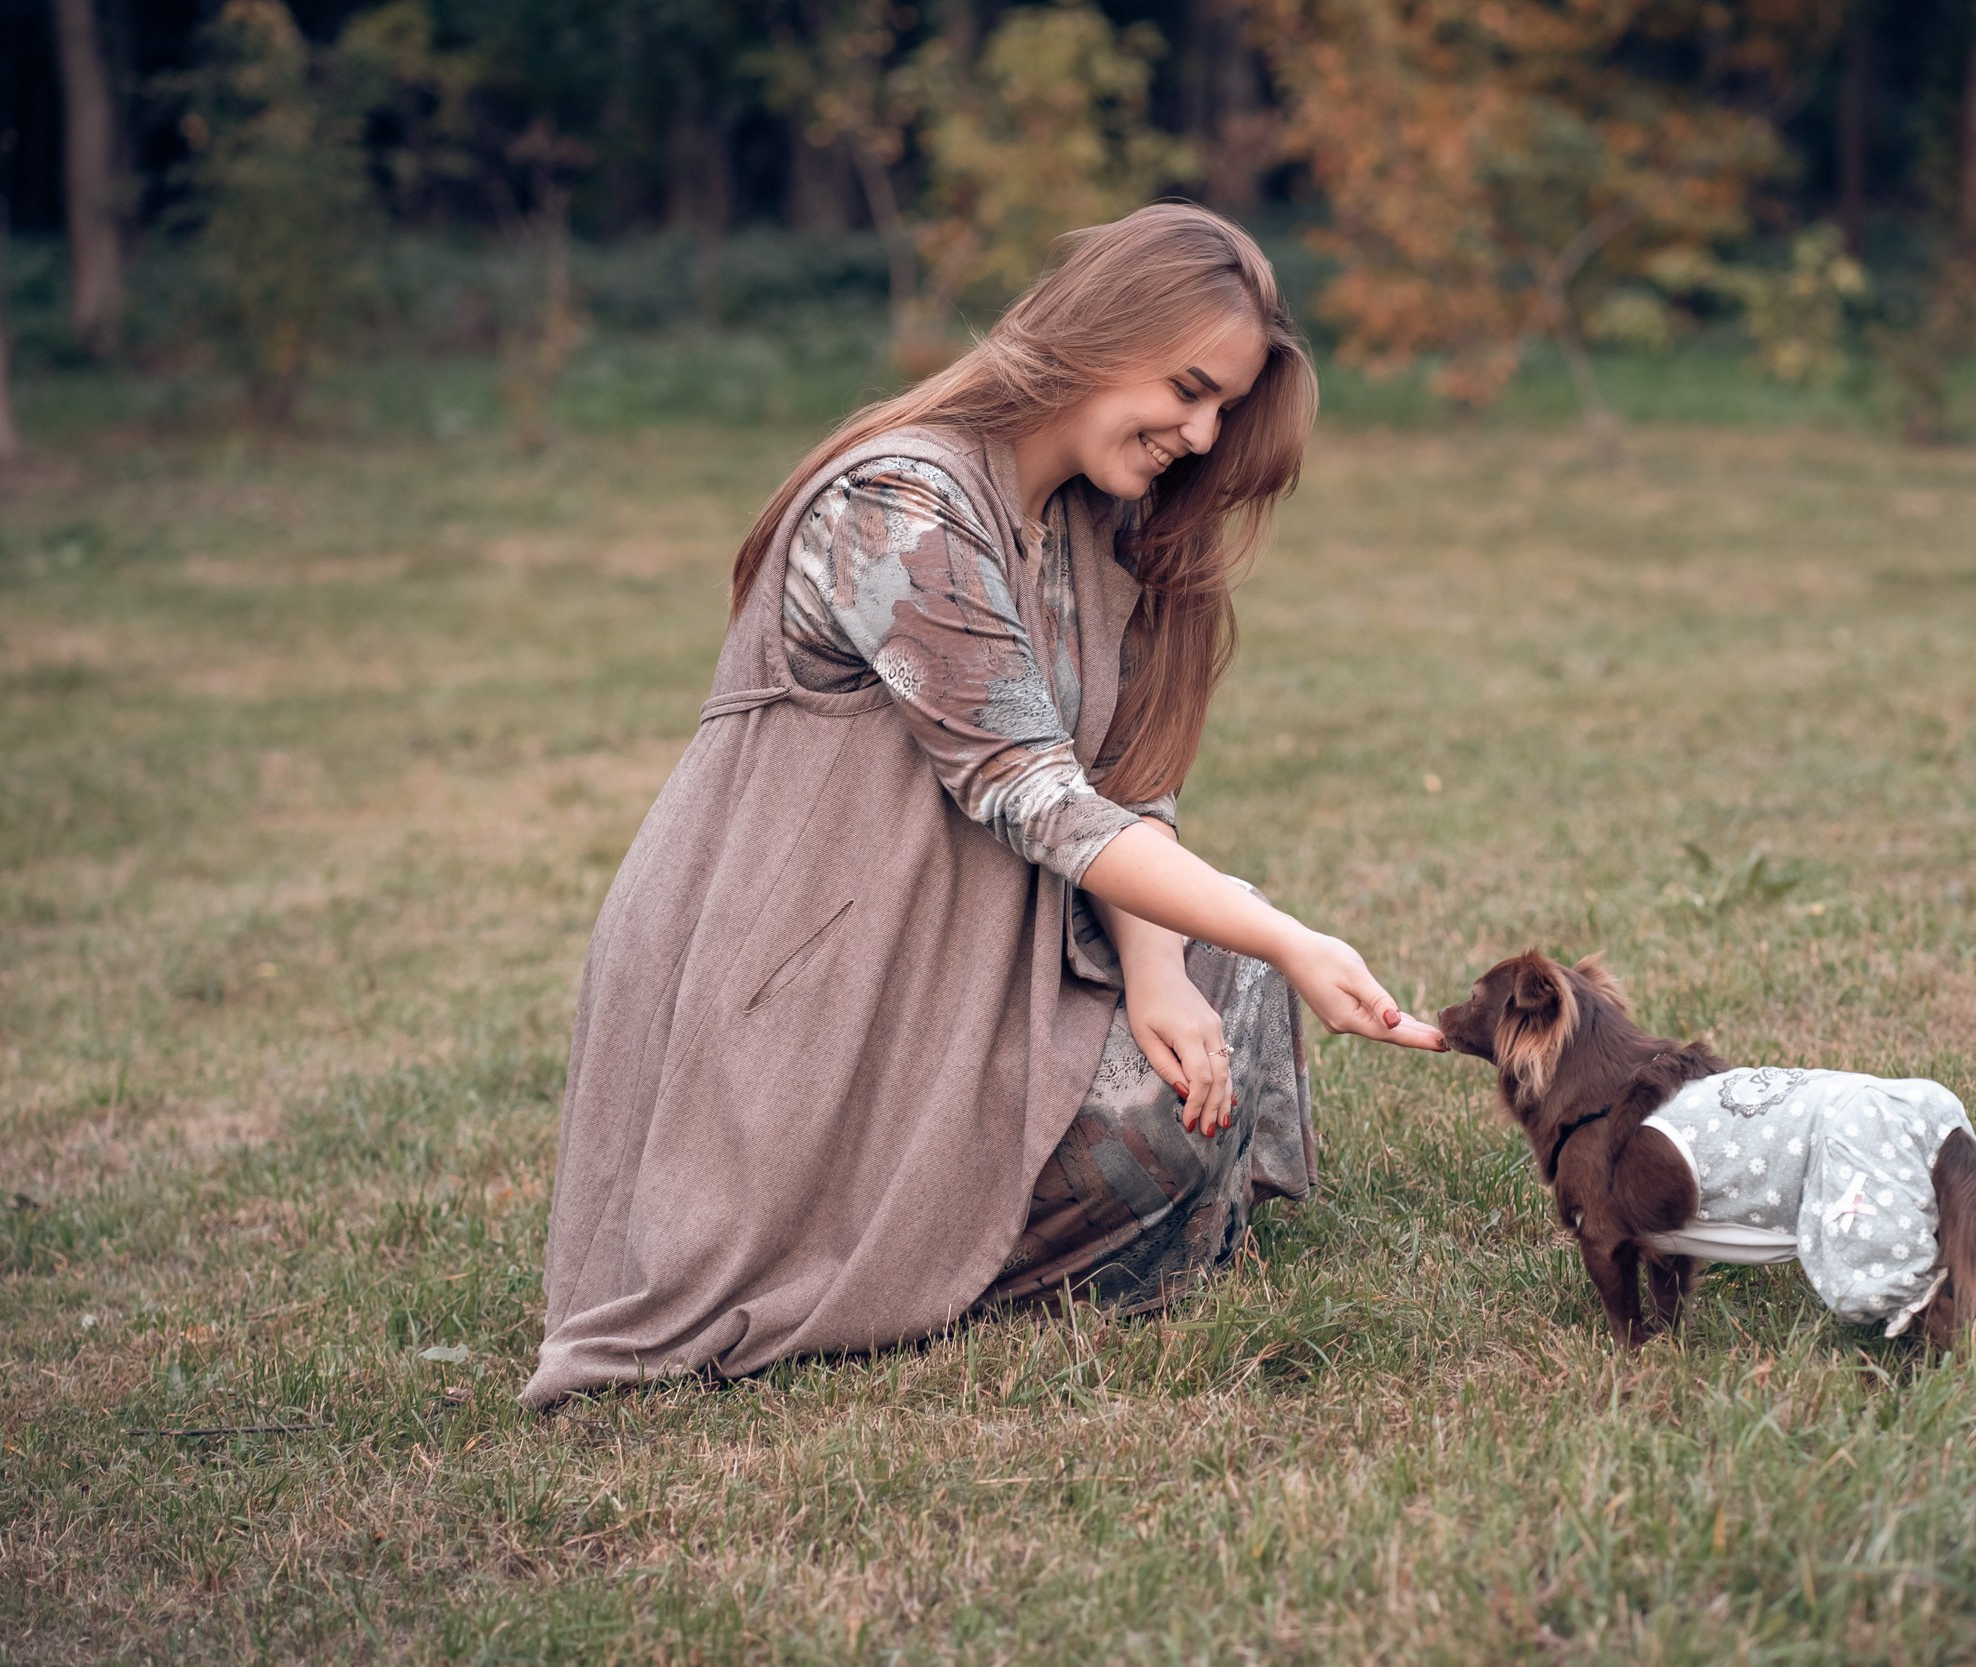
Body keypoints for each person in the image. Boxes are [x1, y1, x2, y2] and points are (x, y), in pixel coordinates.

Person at [524, 204, 1445, 1407]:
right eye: (1185, 387)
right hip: (800, 987)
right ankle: (876, 1247)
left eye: (1222, 407)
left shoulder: (1097, 530)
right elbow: (1033, 796)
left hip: (961, 958)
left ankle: (972, 1228)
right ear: (1095, 330)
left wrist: (1169, 973)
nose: (1201, 431)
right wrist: (1287, 933)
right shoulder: (897, 506)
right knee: (1221, 1003)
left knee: (1226, 991)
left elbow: (1128, 788)